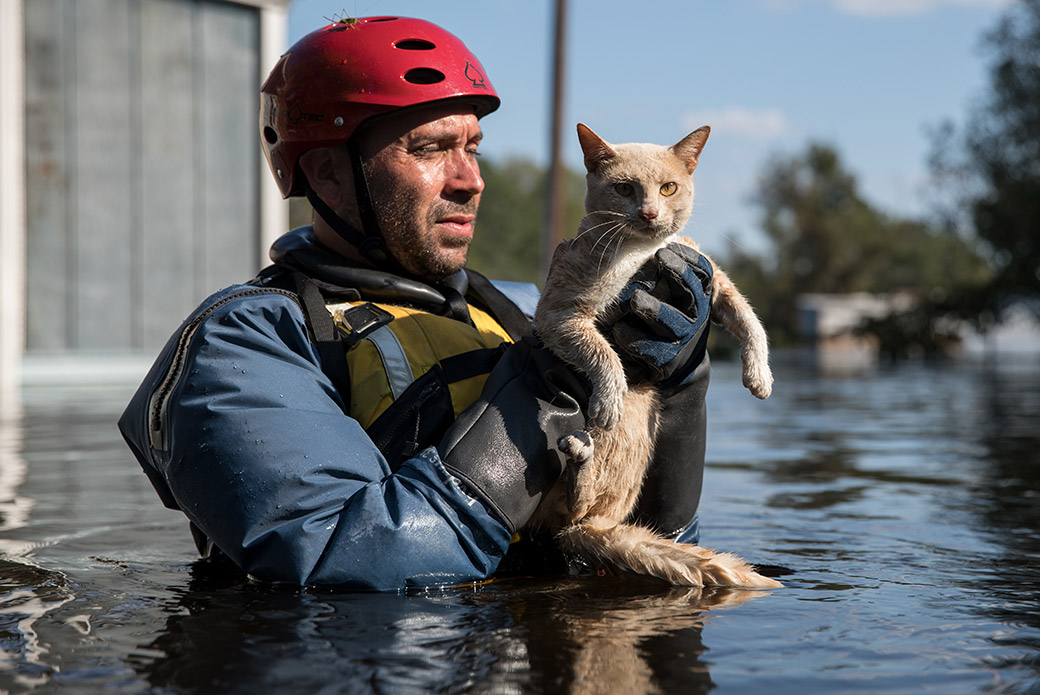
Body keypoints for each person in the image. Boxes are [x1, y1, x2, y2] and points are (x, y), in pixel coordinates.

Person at [119, 16, 713, 591]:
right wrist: (549, 394)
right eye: (430, 149)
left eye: (473, 148)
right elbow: (345, 558)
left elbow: (657, 539)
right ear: (327, 175)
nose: (471, 180)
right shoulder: (245, 342)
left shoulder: (525, 308)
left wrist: (679, 388)